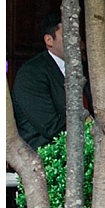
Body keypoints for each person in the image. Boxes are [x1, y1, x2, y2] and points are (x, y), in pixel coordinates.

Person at [12, 12, 67, 150]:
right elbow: (50, 126)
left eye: (77, 34)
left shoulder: (83, 69)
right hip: (45, 154)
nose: (76, 40)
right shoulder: (31, 74)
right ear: (49, 40)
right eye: (67, 35)